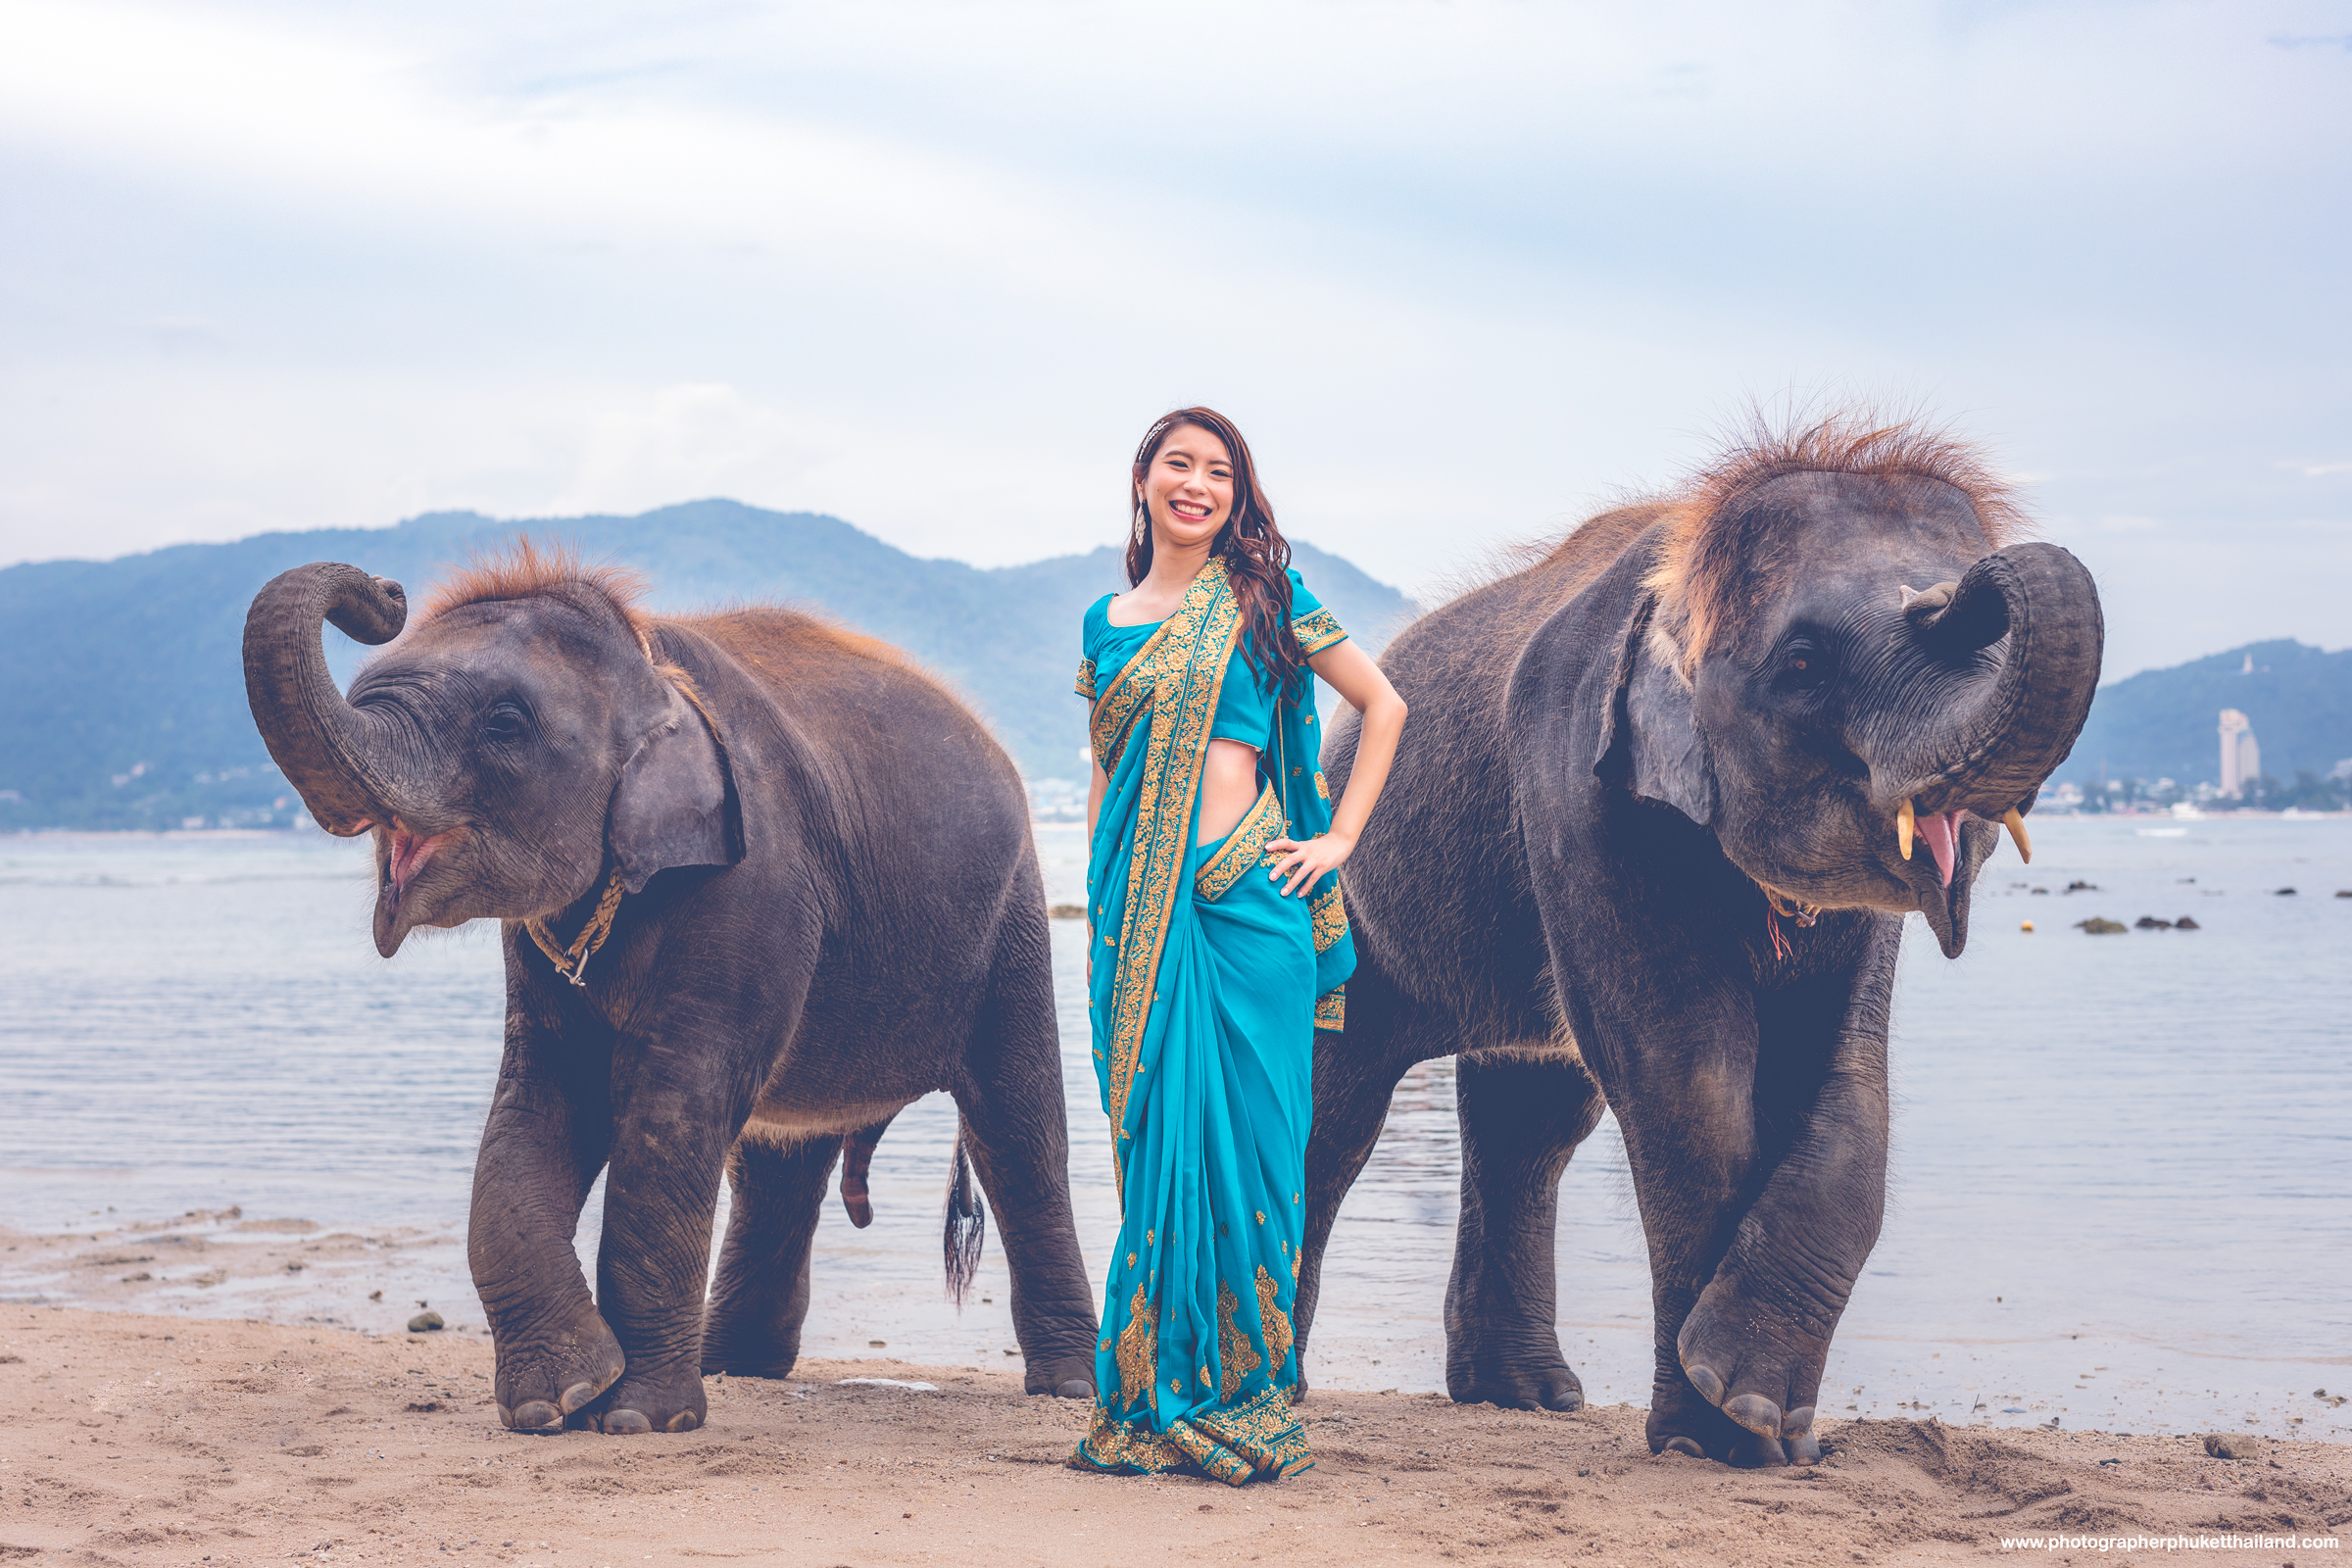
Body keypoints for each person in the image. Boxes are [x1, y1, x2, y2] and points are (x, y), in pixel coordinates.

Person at [1068, 407, 1408, 1485]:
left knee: (1258, 1147)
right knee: (1155, 1151)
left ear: (1236, 493)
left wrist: (1338, 839)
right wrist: (1103, 905)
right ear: (1143, 479)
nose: (1198, 484)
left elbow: (1383, 705)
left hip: (1253, 908)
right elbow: (1105, 773)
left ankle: (1249, 1393)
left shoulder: (1266, 597)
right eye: (1179, 464)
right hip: (1137, 922)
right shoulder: (1104, 621)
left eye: (1218, 471)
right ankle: (1149, 1394)